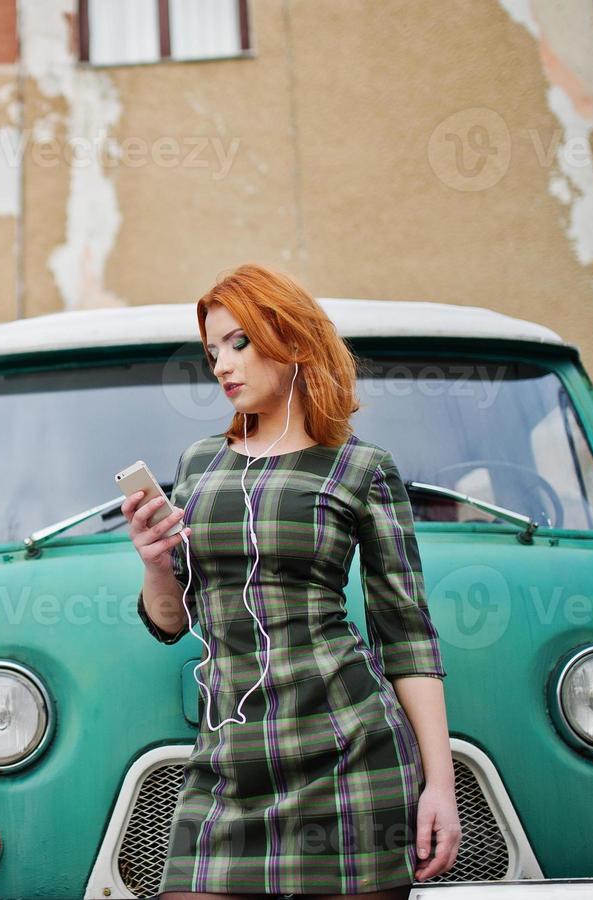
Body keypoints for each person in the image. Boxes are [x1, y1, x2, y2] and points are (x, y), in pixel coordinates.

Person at [122, 263, 461, 899]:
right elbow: (171, 623)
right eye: (212, 351)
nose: (222, 365)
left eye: (239, 343)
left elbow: (407, 634)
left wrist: (439, 785)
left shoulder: (361, 469)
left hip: (351, 752)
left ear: (295, 344)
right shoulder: (199, 465)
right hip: (228, 761)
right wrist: (152, 559)